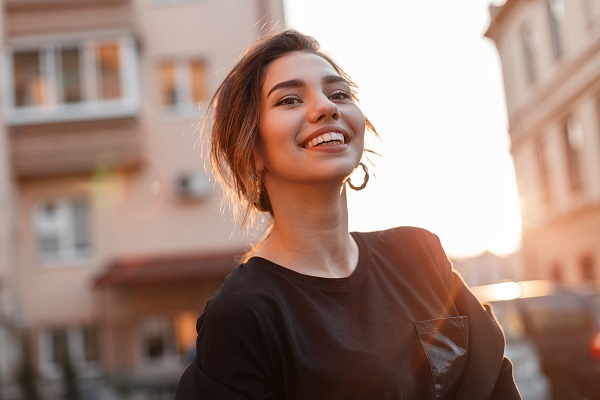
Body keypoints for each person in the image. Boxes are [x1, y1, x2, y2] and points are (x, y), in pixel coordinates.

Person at [175, 29, 521, 400]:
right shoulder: (243, 315)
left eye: (338, 93)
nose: (326, 107)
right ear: (252, 150)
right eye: (289, 100)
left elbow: (493, 380)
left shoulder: (420, 253)